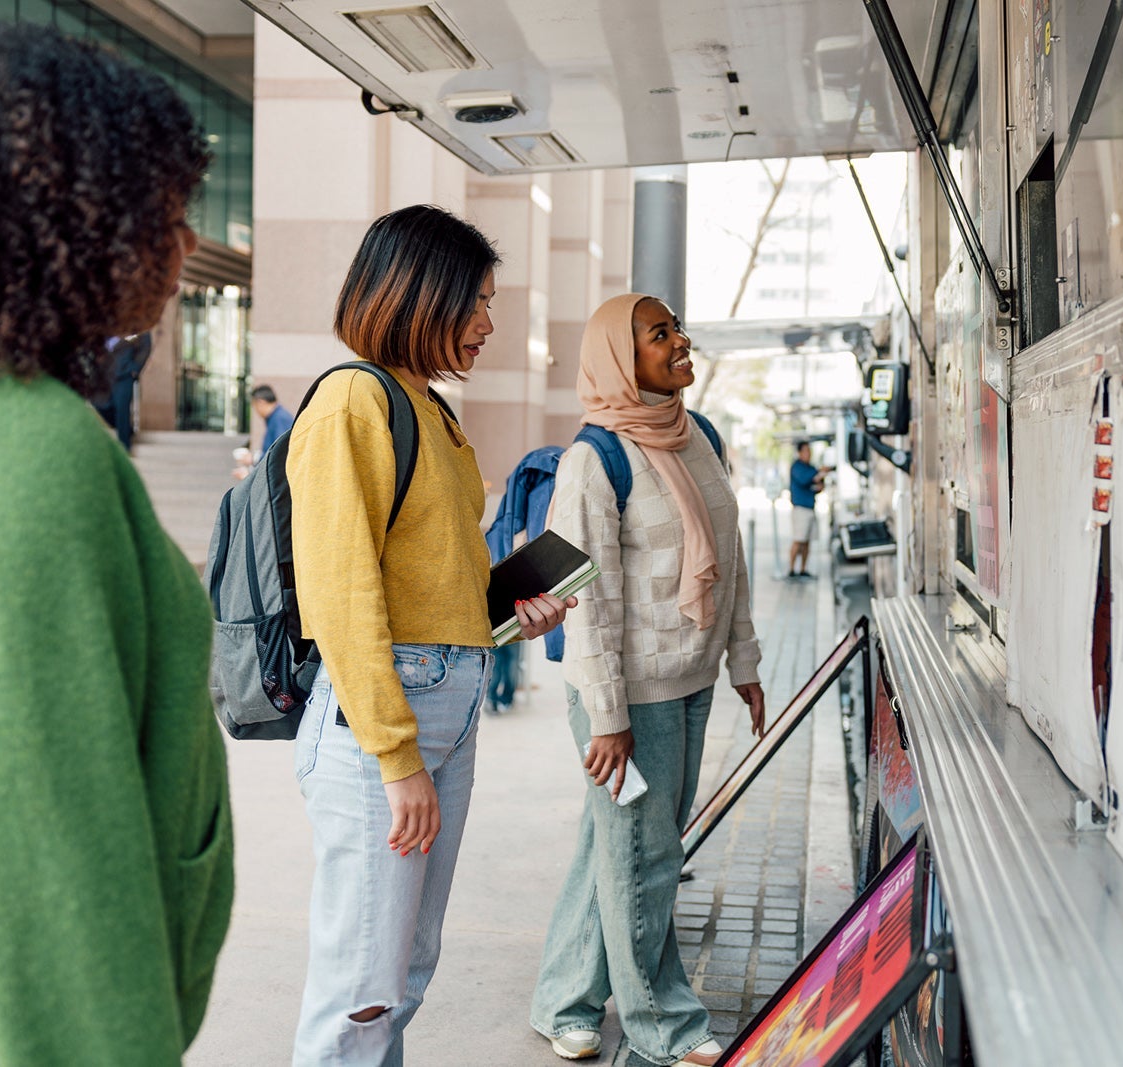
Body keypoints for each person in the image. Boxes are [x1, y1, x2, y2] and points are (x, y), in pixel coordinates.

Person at [0, 20, 232, 1064]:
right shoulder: (12, 450)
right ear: (60, 216)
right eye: (163, 211)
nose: (182, 246)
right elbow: (42, 868)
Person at [286, 204, 574, 1066]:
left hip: (445, 702)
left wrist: (511, 612)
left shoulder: (433, 413)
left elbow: (432, 590)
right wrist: (396, 754)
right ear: (422, 293)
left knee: (404, 968)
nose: (490, 324)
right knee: (360, 990)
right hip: (385, 720)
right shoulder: (352, 402)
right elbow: (341, 593)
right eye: (477, 302)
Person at [531, 294, 766, 1067]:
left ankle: (565, 998)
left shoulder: (698, 436)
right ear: (618, 359)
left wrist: (744, 663)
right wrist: (607, 716)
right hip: (623, 699)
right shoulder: (593, 461)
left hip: (689, 681)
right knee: (644, 854)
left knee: (614, 841)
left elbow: (728, 558)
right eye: (658, 334)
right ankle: (660, 1021)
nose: (679, 341)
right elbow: (585, 600)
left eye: (677, 329)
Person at [94, 332, 153, 452]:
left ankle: (125, 447)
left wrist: (135, 369)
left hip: (124, 374)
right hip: (104, 373)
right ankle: (127, 430)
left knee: (122, 408)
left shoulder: (136, 323)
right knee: (99, 404)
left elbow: (146, 345)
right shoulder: (105, 321)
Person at [786, 440, 833, 578]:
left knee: (807, 541)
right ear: (800, 452)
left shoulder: (811, 467)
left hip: (811, 507)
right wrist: (819, 472)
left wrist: (819, 483)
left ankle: (803, 569)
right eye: (806, 451)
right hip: (800, 508)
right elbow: (805, 480)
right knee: (798, 539)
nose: (808, 454)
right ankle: (791, 569)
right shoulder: (797, 467)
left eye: (809, 451)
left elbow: (816, 485)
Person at [252, 383, 295, 455]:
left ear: (261, 403)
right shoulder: (275, 417)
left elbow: (278, 453)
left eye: (254, 405)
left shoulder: (279, 418)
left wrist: (253, 459)